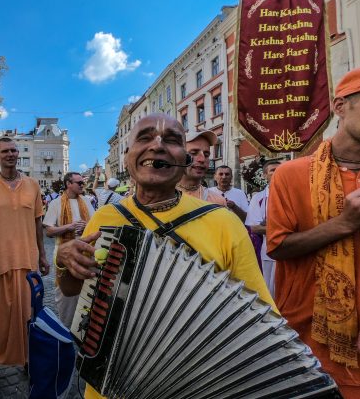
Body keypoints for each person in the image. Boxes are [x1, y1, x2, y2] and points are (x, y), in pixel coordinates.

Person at [55, 113, 275, 399]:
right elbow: (74, 288)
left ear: (184, 158)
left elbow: (261, 319)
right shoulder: (107, 217)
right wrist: (65, 261)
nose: (157, 146)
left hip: (198, 384)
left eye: (171, 140)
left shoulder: (223, 222)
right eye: (144, 137)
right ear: (127, 157)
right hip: (109, 383)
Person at [267, 67, 360, 397]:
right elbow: (277, 246)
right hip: (310, 347)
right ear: (339, 106)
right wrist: (343, 224)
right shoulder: (291, 174)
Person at [0, 137, 50, 399]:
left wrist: (42, 255)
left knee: (30, 318)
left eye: (14, 150)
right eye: (5, 151)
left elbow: (38, 223)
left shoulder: (32, 185)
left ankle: (28, 361)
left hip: (27, 262)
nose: (11, 154)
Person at [43, 172, 95, 326]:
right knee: (66, 296)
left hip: (86, 251)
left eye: (82, 183)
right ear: (68, 184)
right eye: (79, 183)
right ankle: (66, 328)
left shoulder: (86, 201)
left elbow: (94, 223)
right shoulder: (56, 203)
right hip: (64, 253)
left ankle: (84, 329)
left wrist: (87, 226)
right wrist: (70, 227)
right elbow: (49, 231)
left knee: (87, 291)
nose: (82, 185)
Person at [245, 159, 281, 298]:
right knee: (270, 293)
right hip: (269, 253)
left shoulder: (293, 194)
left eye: (280, 169)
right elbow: (254, 228)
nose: (277, 172)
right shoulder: (259, 198)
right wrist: (283, 228)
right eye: (273, 170)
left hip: (293, 251)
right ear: (265, 175)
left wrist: (269, 225)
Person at [176, 130, 226, 205]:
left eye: (206, 155)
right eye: (194, 153)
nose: (202, 159)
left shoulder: (218, 201)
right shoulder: (161, 197)